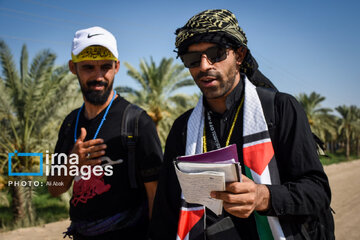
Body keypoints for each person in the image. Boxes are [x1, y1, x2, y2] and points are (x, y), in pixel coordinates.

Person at [149, 9, 334, 240]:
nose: (204, 66)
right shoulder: (184, 128)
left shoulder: (279, 110)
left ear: (239, 55)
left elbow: (317, 191)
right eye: (193, 59)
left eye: (215, 53)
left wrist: (262, 196)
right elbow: (166, 212)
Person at [47, 26, 163, 239]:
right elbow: (54, 188)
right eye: (89, 67)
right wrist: (72, 163)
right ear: (73, 68)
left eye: (106, 67)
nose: (98, 76)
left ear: (116, 67)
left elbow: (156, 195)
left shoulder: (138, 122)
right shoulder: (70, 123)